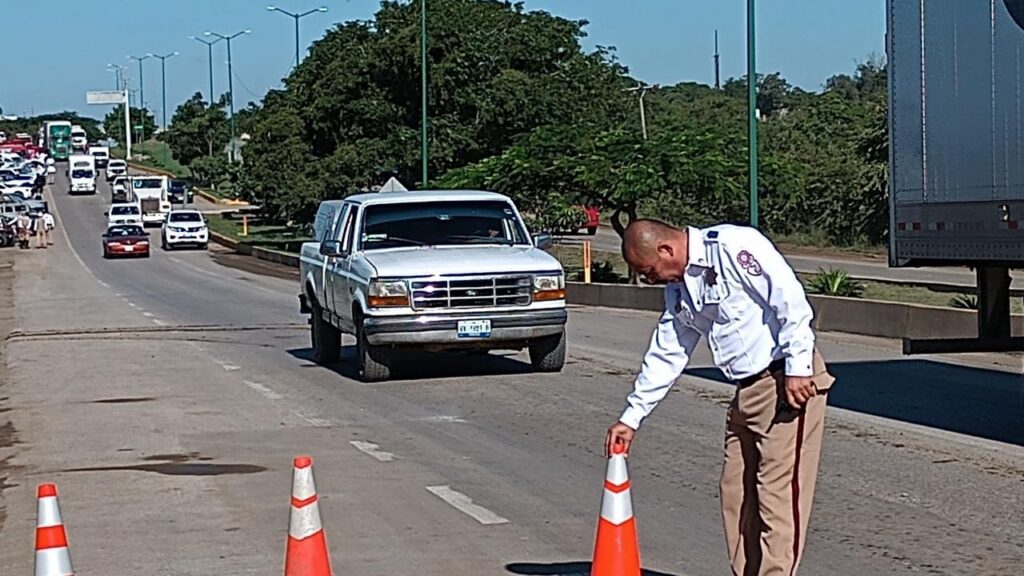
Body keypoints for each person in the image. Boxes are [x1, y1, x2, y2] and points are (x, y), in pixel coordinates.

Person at [605, 219, 836, 576]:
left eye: (649, 271)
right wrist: (631, 417)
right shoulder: (680, 288)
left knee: (777, 498)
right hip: (746, 391)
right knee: (736, 494)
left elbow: (789, 300)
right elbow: (669, 351)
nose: (650, 279)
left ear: (666, 249)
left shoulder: (732, 247)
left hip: (784, 384)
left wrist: (798, 367)